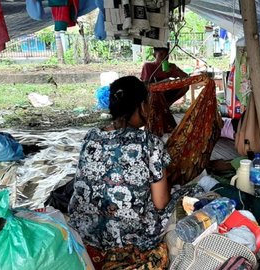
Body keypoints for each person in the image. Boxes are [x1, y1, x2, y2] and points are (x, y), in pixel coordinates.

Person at [68, 76, 173, 269]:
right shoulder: (149, 142)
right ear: (141, 106)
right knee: (180, 200)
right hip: (127, 241)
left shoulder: (91, 136)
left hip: (83, 233)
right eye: (147, 104)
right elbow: (160, 203)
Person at [140, 46, 190, 133]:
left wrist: (177, 70)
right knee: (156, 93)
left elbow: (187, 78)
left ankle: (166, 105)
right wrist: (160, 83)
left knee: (185, 86)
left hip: (167, 94)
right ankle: (164, 109)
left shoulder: (170, 67)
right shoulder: (148, 66)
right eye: (161, 54)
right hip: (152, 94)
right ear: (154, 55)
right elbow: (145, 85)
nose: (164, 57)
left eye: (166, 55)